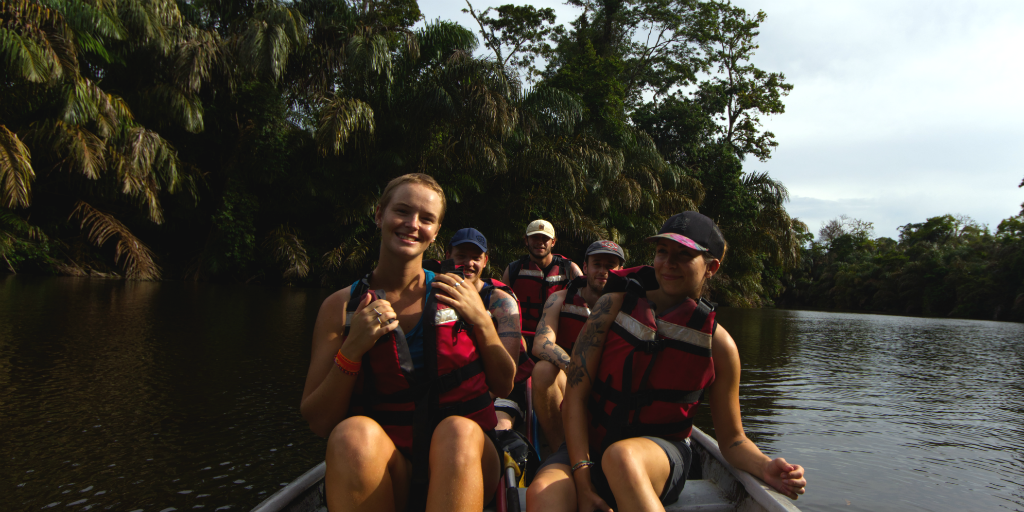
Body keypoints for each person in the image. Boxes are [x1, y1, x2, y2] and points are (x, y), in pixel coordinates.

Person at [526, 212, 807, 512]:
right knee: (542, 492)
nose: (669, 263)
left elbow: (733, 440)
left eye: (684, 255)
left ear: (711, 267)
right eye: (662, 252)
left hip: (659, 454)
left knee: (622, 457)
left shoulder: (720, 344)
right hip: (591, 447)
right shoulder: (613, 304)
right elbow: (577, 397)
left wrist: (766, 467)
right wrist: (583, 481)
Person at [300, 174, 516, 512]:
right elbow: (318, 422)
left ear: (435, 233)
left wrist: (481, 320)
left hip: (467, 462)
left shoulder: (461, 294)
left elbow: (504, 383)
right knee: (351, 435)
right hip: (390, 467)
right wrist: (352, 349)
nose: (412, 225)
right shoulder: (340, 307)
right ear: (379, 215)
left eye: (426, 218)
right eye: (402, 211)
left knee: (457, 431)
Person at [531, 240, 625, 449]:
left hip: (610, 386)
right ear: (585, 267)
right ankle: (561, 450)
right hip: (572, 380)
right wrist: (576, 369)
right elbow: (540, 344)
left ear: (621, 270)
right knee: (543, 370)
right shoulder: (559, 299)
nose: (603, 271)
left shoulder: (630, 307)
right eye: (597, 264)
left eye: (610, 265)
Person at [447, 227, 534, 430]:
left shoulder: (501, 302)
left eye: (476, 257)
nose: (469, 263)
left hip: (497, 389)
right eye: (461, 256)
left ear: (485, 261)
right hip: (454, 389)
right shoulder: (435, 294)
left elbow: (507, 377)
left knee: (500, 425)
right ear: (448, 256)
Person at [502, 219, 583, 360]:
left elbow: (584, 303)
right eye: (534, 237)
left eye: (545, 238)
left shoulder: (570, 270)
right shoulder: (513, 270)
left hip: (557, 341)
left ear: (553, 242)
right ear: (526, 241)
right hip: (523, 337)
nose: (540, 242)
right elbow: (502, 307)